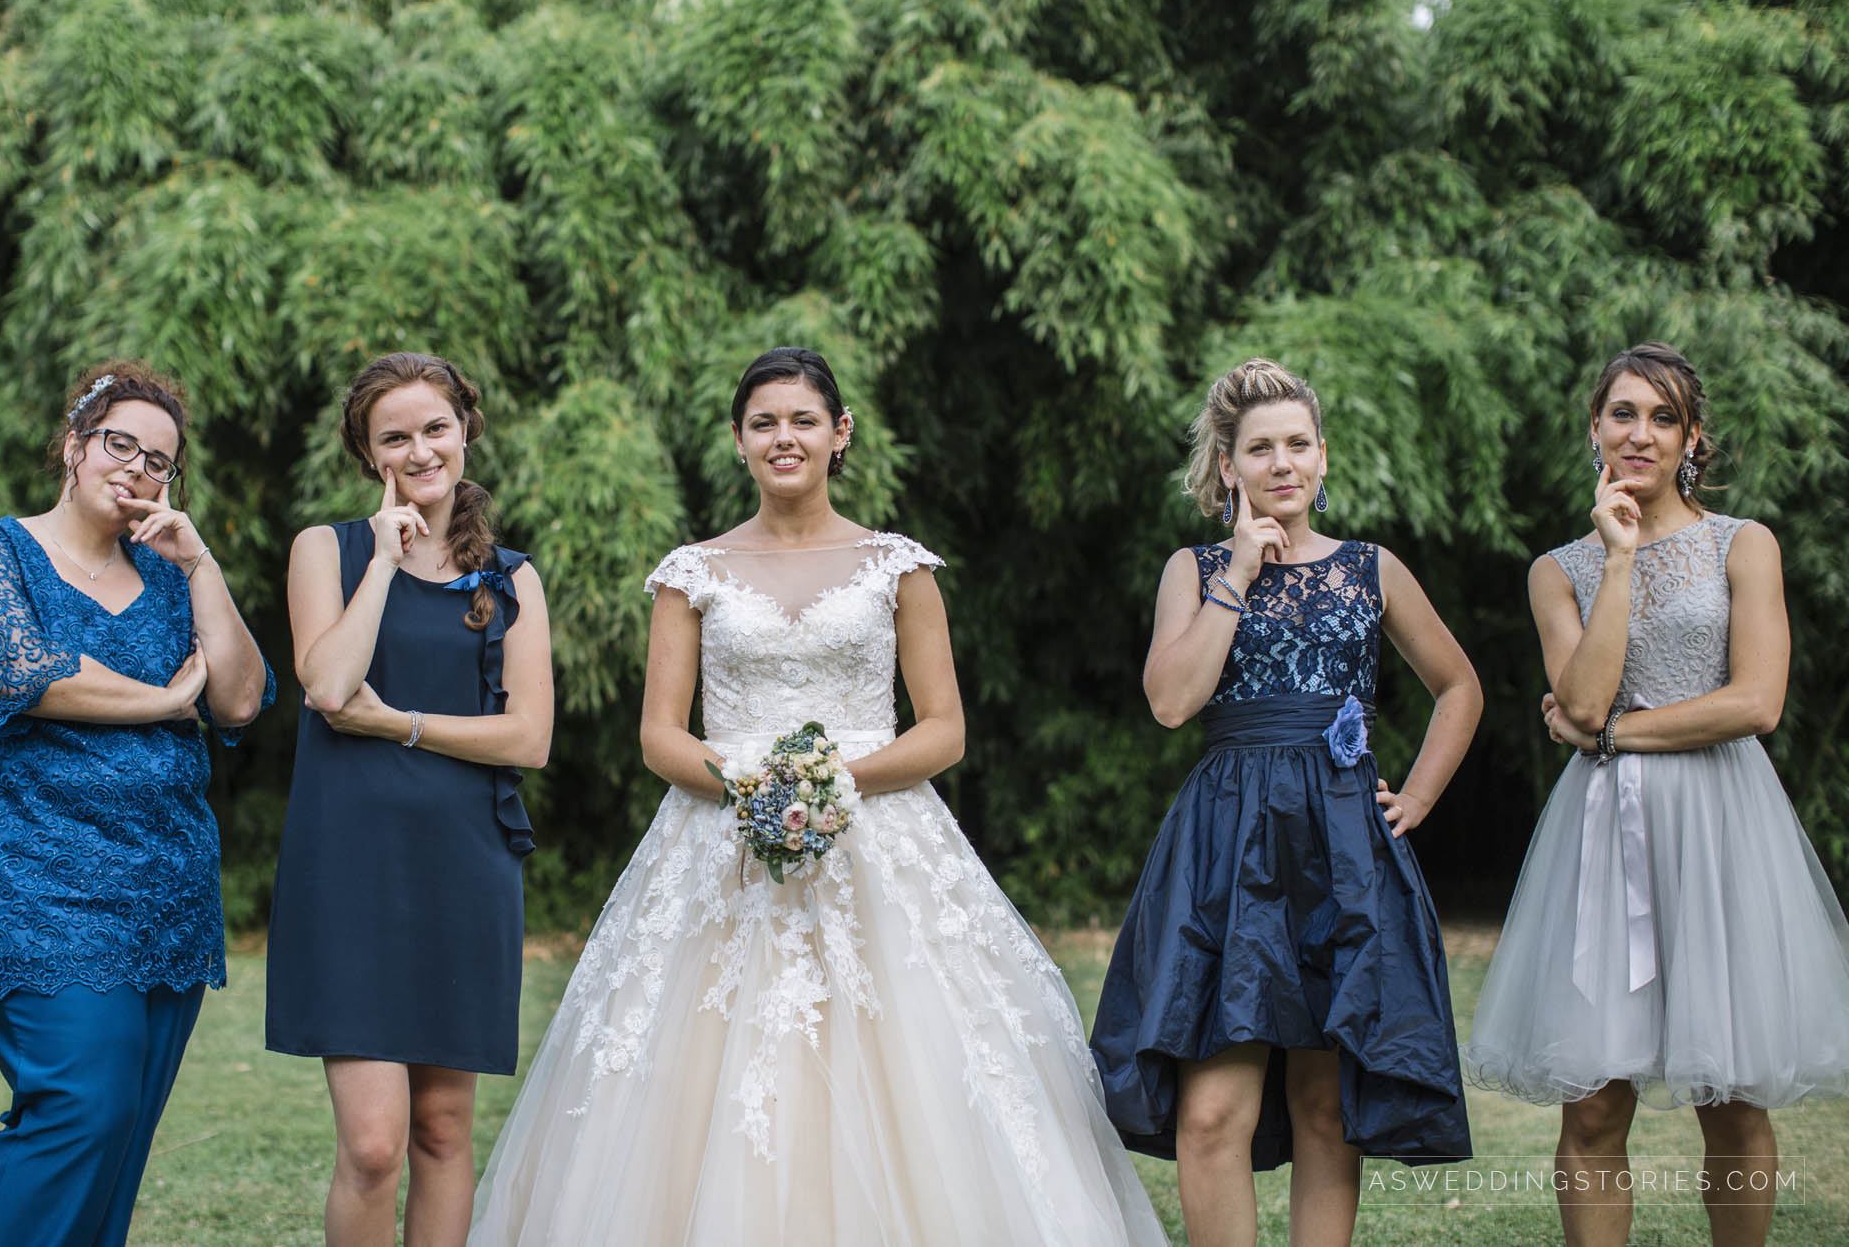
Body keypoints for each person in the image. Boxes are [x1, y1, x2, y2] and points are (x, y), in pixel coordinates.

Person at [469, 347, 1164, 1245]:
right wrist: (752, 788)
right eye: (764, 422)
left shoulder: (898, 566)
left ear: (841, 434)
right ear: (738, 441)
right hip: (723, 841)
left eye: (803, 419)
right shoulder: (691, 573)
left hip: (881, 838)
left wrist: (833, 783)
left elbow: (942, 728)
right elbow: (661, 735)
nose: (783, 437)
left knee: (913, 1063)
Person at [1463, 341, 1849, 1246]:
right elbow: (1586, 692)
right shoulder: (1558, 570)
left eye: (1663, 416)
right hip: (1600, 838)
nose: (1642, 433)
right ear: (1595, 428)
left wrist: (1606, 736)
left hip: (1724, 827)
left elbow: (1756, 702)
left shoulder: (1742, 545)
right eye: (1624, 413)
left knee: (1735, 1100)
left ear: (1692, 439)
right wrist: (1621, 557)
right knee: (1593, 1107)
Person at [1090, 357, 1480, 1247]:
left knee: (1321, 1102)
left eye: (1297, 444)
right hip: (1226, 846)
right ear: (1228, 466)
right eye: (1259, 448)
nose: (1281, 462)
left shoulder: (1371, 569)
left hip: (1339, 845)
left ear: (1324, 457)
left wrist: (1415, 794)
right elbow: (1170, 701)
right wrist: (1237, 568)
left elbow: (1459, 686)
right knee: (1211, 1112)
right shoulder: (1191, 570)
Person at [0, 360, 273, 1246]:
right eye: (122, 444)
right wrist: (159, 700)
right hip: (26, 880)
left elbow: (236, 698)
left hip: (164, 893)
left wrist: (200, 563)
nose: (140, 468)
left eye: (160, 460)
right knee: (83, 1105)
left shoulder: (167, 578)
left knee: (117, 1139)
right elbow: (16, 669)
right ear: (75, 447)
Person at [267, 351, 552, 1247]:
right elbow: (328, 684)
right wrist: (385, 564)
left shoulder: (513, 578)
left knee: (441, 1130)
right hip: (349, 867)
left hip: (466, 868)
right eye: (396, 436)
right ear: (369, 453)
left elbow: (528, 739)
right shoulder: (328, 549)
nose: (422, 449)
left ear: (465, 428)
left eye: (435, 427)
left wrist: (403, 725)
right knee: (374, 1142)